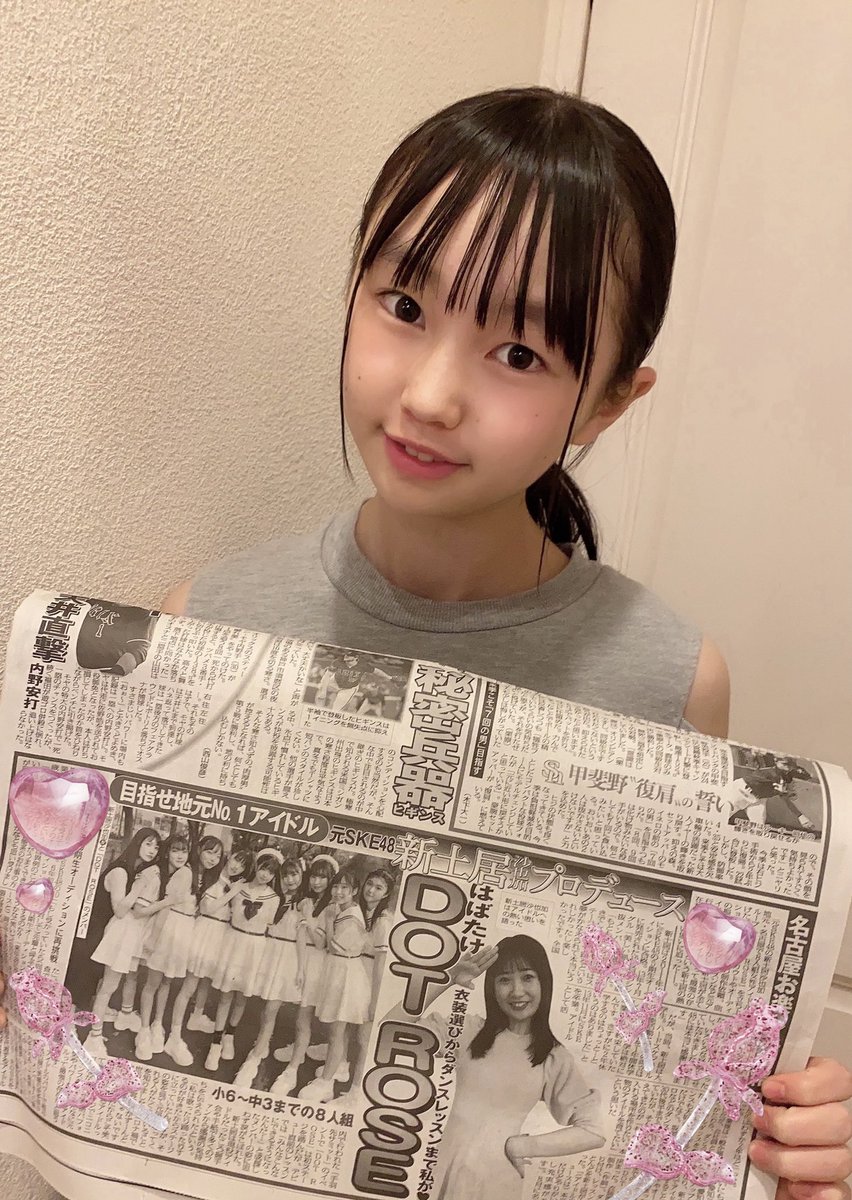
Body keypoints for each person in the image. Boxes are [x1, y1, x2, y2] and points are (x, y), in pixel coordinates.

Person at [0, 85, 849, 1194]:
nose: (434, 394)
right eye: (404, 304)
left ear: (608, 403)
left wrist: (790, 1131)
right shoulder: (205, 621)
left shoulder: (672, 680)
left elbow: (659, 1041)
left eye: (520, 354)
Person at [395, 935, 604, 1200]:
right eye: (504, 980)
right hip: (442, 1174)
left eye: (527, 977)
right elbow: (391, 1032)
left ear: (544, 982)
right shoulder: (469, 1032)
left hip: (496, 1185)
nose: (517, 991)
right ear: (492, 987)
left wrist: (523, 1145)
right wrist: (447, 978)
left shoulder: (553, 1057)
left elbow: (593, 1131)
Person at [84, 827, 164, 1059]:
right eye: (148, 843)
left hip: (128, 931)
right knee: (108, 987)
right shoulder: (121, 870)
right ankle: (94, 1037)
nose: (152, 850)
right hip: (119, 930)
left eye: (156, 846)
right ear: (137, 843)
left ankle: (111, 1021)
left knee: (113, 983)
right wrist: (139, 887)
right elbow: (120, 911)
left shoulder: (137, 869)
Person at [299, 867, 370, 1102]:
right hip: (339, 970)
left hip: (346, 973)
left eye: (344, 888)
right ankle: (339, 1067)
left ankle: (326, 1083)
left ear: (354, 891)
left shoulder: (352, 916)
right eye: (336, 886)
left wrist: (328, 921)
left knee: (337, 1031)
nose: (338, 892)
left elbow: (331, 946)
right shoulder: (342, 909)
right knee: (339, 1029)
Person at [233, 854, 304, 1087]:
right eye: (286, 875)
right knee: (265, 1008)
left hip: (287, 957)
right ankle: (261, 1045)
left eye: (294, 875)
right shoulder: (275, 898)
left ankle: (253, 1059)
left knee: (272, 1008)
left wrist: (301, 969)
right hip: (268, 952)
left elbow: (302, 937)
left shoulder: (304, 903)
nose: (290, 880)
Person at [134, 833, 195, 1061]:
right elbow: (165, 907)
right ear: (167, 852)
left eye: (184, 851)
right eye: (175, 850)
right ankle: (144, 1030)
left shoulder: (185, 872)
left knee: (167, 981)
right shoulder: (164, 872)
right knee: (153, 981)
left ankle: (157, 1025)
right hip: (164, 929)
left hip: (177, 933)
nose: (180, 855)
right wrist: (153, 938)